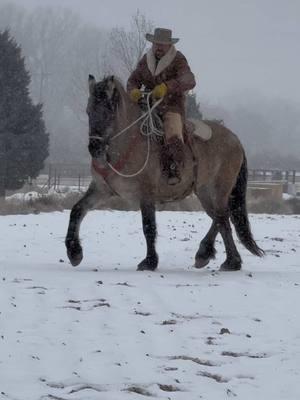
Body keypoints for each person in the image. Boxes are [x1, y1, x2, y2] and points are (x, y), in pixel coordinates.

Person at [127, 27, 196, 185]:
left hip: (171, 107)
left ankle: (174, 168)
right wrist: (133, 92)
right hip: (146, 106)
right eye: (156, 43)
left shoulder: (178, 59)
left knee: (172, 131)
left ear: (169, 45)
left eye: (162, 44)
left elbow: (189, 80)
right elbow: (132, 80)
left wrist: (167, 87)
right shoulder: (146, 60)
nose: (158, 47)